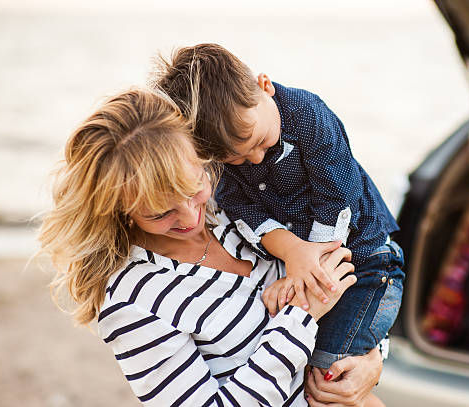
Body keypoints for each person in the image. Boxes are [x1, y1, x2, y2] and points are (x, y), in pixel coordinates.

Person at [38, 88, 384, 406]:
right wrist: (302, 315)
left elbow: (362, 280)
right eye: (160, 212)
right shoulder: (133, 301)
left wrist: (372, 361)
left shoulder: (234, 209)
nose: (190, 217)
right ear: (119, 207)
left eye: (195, 187)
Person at [153, 44, 405, 379]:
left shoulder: (308, 116)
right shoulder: (221, 156)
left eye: (257, 141)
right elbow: (240, 209)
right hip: (311, 271)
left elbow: (337, 201)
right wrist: (292, 253)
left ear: (264, 86)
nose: (254, 159)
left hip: (367, 262)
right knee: (302, 368)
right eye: (237, 159)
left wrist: (301, 274)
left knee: (327, 372)